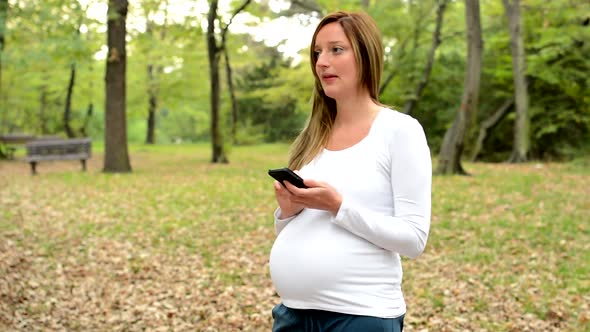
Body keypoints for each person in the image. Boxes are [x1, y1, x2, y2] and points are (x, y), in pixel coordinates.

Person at [268, 10, 432, 332]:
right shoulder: (313, 135)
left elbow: (414, 240)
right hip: (293, 315)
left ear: (366, 55)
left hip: (360, 316)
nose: (322, 62)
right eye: (317, 53)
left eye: (336, 50)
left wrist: (337, 205)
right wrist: (286, 213)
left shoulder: (400, 131)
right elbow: (297, 232)